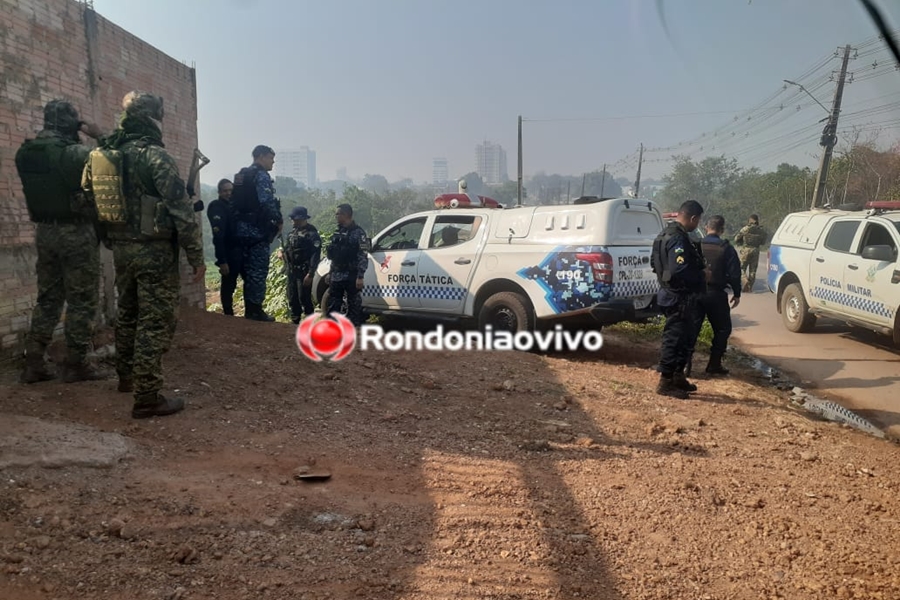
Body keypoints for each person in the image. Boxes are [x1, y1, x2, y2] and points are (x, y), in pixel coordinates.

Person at [82, 91, 205, 419]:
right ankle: (147, 395)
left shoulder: (107, 154)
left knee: (129, 313)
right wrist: (196, 256)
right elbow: (182, 210)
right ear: (153, 118)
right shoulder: (155, 157)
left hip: (121, 248)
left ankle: (126, 377)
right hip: (154, 251)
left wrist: (106, 237)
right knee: (155, 319)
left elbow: (87, 198)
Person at [15, 100, 108, 384]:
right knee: (82, 298)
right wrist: (97, 134)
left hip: (44, 231)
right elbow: (113, 158)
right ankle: (76, 364)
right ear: (71, 124)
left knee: (49, 298)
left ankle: (34, 362)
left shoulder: (25, 153)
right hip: (75, 232)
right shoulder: (73, 153)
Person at [650, 200, 707, 399]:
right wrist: (701, 276)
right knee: (674, 338)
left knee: (684, 338)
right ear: (693, 218)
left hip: (671, 293)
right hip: (678, 296)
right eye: (697, 220)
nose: (697, 224)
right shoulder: (678, 238)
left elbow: (655, 263)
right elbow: (679, 269)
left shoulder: (664, 235)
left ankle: (677, 376)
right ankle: (665, 382)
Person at [230, 145, 283, 321]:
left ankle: (249, 309)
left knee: (246, 272)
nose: (273, 162)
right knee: (258, 272)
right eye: (270, 158)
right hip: (256, 232)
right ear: (261, 157)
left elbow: (234, 202)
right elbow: (266, 202)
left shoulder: (242, 175)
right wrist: (278, 219)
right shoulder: (261, 176)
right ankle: (255, 311)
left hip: (240, 231)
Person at [686, 215, 742, 377]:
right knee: (723, 329)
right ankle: (714, 364)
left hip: (696, 293)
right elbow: (734, 274)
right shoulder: (726, 248)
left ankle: (685, 366)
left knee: (691, 329)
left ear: (706, 228)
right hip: (716, 295)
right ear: (722, 229)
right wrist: (736, 293)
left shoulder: (696, 245)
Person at [325, 203, 369, 326]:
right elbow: (334, 256)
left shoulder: (359, 233)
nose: (336, 216)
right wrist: (330, 273)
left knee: (354, 307)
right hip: (337, 274)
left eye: (338, 214)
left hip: (351, 275)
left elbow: (363, 255)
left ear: (346, 215)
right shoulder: (337, 232)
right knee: (333, 305)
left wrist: (360, 276)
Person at [206, 178, 242, 316]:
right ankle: (228, 314)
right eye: (225, 191)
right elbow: (218, 237)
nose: (228, 193)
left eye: (230, 191)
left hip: (240, 251)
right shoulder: (217, 207)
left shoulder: (234, 206)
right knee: (228, 285)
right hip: (228, 252)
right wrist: (222, 260)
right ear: (219, 192)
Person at [283, 206, 321, 324]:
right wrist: (282, 253)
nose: (293, 221)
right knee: (292, 297)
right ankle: (295, 322)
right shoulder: (292, 233)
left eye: (295, 219)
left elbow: (315, 255)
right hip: (291, 271)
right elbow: (288, 249)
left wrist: (310, 274)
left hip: (303, 271)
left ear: (302, 218)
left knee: (304, 298)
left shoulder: (311, 234)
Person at [733, 214, 768, 293]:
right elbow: (763, 242)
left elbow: (736, 239)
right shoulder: (761, 231)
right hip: (756, 250)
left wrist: (741, 241)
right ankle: (750, 287)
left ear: (749, 220)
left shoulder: (745, 229)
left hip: (746, 250)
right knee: (753, 270)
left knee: (742, 268)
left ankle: (744, 280)